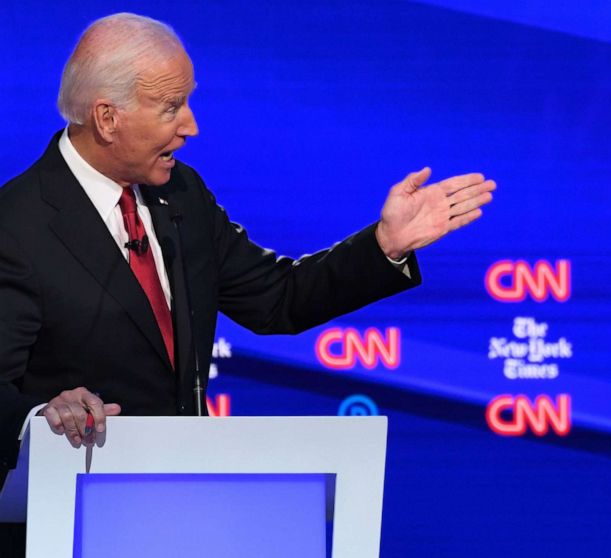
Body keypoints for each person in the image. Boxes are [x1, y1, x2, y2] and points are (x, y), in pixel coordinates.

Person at [0, 12, 494, 485]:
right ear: (107, 119)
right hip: (66, 515)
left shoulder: (181, 194)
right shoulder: (17, 224)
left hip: (183, 502)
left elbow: (278, 299)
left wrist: (385, 244)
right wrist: (40, 416)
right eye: (171, 107)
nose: (190, 126)